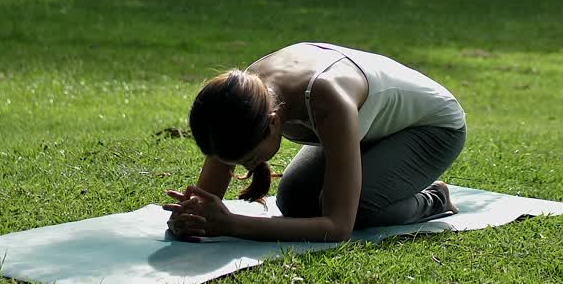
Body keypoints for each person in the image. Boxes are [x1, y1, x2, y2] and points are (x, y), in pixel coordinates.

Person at [164, 42, 467, 242]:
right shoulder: (241, 100)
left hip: (433, 129)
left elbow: (338, 227)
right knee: (293, 199)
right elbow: (206, 197)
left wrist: (233, 225)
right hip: (370, 127)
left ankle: (432, 199)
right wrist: (190, 218)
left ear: (272, 123)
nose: (242, 167)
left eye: (249, 158)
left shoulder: (327, 100)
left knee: (358, 210)